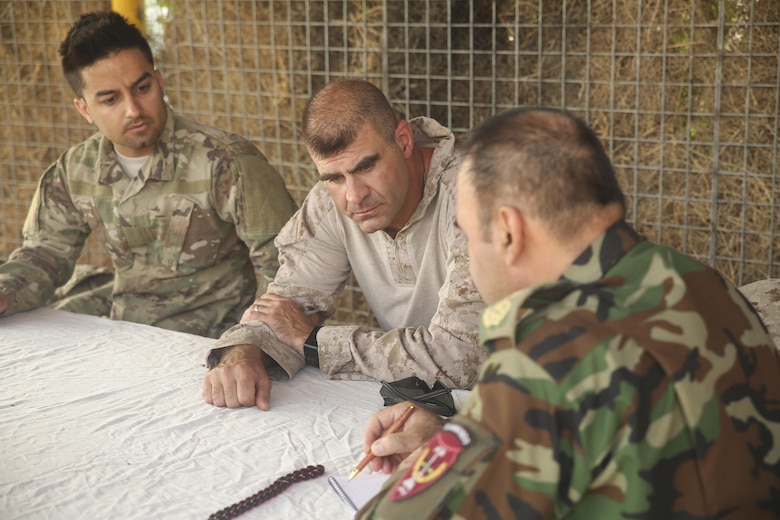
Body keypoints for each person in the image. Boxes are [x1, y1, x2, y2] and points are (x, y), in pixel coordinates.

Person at [356, 107, 780, 518]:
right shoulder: (706, 285)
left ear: (509, 231)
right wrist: (455, 437)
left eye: (468, 235)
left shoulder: (546, 360)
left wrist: (444, 458)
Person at [0, 11, 297, 338]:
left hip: (210, 341)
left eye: (142, 88)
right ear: (84, 109)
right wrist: (5, 292)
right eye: (110, 99)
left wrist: (249, 346)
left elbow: (286, 272)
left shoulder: (226, 162)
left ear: (159, 81)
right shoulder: (75, 171)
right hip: (126, 331)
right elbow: (44, 255)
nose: (133, 109)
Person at [202, 79, 486, 410]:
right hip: (419, 406)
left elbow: (460, 359)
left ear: (404, 140)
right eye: (334, 178)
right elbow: (284, 307)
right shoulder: (330, 203)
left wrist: (313, 343)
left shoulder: (477, 196)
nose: (354, 196)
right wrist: (244, 352)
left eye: (366, 166)